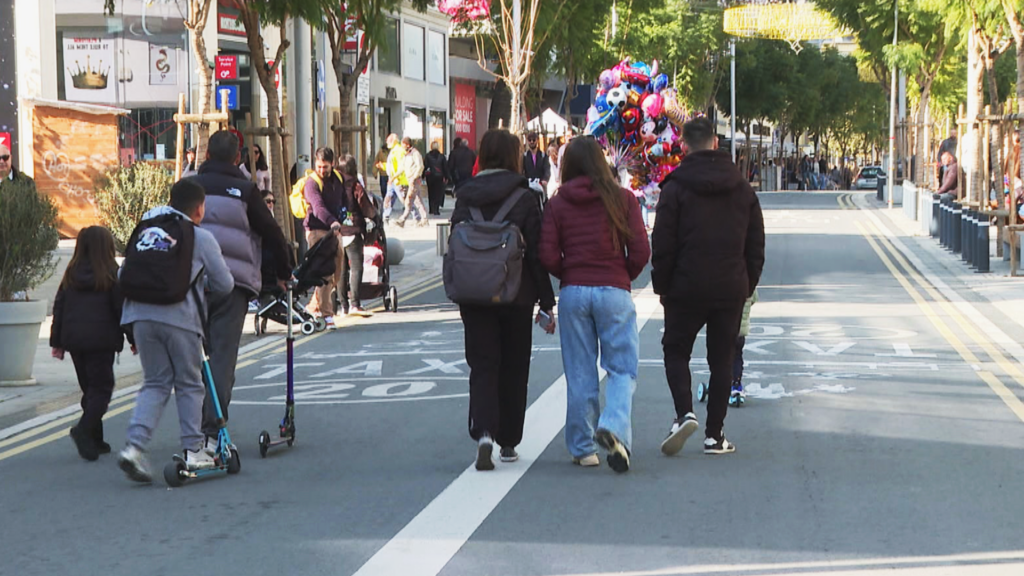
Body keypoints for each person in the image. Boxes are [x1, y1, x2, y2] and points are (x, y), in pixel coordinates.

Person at [652, 117, 765, 457]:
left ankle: (684, 412)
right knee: (722, 359)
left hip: (684, 287)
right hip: (730, 287)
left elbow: (663, 244)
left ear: (684, 145)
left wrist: (663, 287)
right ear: (716, 143)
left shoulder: (674, 188)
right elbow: (756, 246)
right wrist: (746, 284)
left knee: (675, 350)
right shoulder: (743, 190)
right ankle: (715, 435)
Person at [538, 137, 650, 472]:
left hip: (574, 291)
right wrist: (621, 275)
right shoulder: (624, 199)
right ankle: (614, 426)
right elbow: (642, 251)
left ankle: (583, 448)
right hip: (614, 290)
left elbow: (546, 255)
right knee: (621, 367)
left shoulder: (558, 203)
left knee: (580, 371)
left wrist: (569, 272)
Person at [451, 129, 556, 471]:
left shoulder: (466, 194)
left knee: (482, 364)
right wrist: (546, 300)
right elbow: (539, 253)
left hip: (474, 293)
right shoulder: (525, 197)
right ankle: (508, 440)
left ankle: (483, 432)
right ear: (514, 157)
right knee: (513, 366)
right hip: (516, 293)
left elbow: (454, 240)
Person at [117, 179, 234, 483]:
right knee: (189, 383)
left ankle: (134, 447)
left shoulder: (148, 228)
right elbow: (225, 285)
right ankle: (193, 448)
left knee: (155, 382)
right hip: (180, 316)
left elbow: (123, 272)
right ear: (199, 208)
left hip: (138, 314)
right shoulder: (200, 237)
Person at [190, 130, 293, 454]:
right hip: (231, 286)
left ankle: (190, 431)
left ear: (206, 156)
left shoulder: (189, 188)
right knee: (221, 359)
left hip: (190, 283)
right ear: (238, 158)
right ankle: (211, 432)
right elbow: (273, 234)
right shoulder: (246, 191)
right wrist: (283, 274)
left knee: (193, 359)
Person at [50, 226, 133, 461]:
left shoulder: (71, 273)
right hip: (102, 340)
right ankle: (83, 431)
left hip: (75, 340)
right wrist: (133, 339)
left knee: (90, 388)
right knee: (102, 389)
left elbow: (59, 308)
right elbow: (122, 311)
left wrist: (57, 341)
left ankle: (96, 440)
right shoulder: (111, 274)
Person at [338, 153, 376, 317]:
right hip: (353, 230)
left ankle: (342, 306)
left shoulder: (334, 184)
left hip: (338, 230)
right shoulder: (355, 185)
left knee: (340, 269)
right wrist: (374, 218)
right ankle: (355, 303)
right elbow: (366, 207)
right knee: (356, 267)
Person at [730, 289, 758, 405]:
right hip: (741, 331)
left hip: (726, 329)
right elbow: (754, 299)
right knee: (737, 357)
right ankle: (736, 383)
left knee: (722, 358)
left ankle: (721, 382)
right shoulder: (748, 283)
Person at [396, 137, 428, 227]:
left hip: (414, 180)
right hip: (410, 180)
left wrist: (415, 177)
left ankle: (402, 219)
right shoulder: (407, 154)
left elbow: (420, 166)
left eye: (403, 144)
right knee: (418, 200)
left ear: (407, 144)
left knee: (409, 200)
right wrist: (394, 176)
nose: (402, 146)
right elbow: (402, 167)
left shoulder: (415, 153)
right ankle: (424, 219)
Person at [383, 134, 407, 223]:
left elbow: (401, 167)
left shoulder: (399, 151)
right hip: (392, 179)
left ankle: (417, 216)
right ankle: (385, 216)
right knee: (388, 197)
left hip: (398, 180)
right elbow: (392, 166)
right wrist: (383, 166)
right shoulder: (393, 151)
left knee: (404, 199)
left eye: (388, 140)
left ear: (394, 141)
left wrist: (394, 177)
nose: (386, 142)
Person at [424, 141, 449, 215]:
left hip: (430, 176)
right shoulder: (441, 156)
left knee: (431, 193)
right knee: (438, 193)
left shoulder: (428, 156)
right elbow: (445, 167)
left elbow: (425, 166)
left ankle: (431, 208)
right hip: (439, 177)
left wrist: (422, 175)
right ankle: (436, 209)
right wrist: (447, 177)